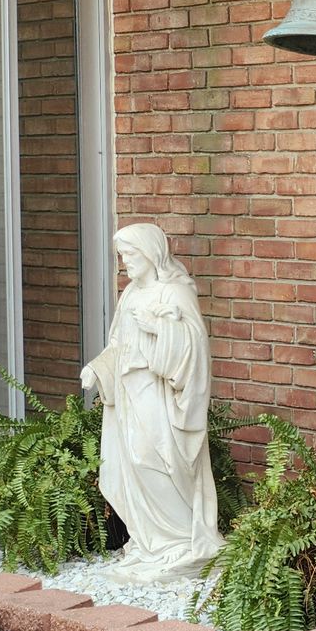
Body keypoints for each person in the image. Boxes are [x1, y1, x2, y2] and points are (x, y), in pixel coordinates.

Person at [80, 222, 224, 582]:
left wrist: (158, 327)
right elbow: (119, 344)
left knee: (156, 458)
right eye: (121, 256)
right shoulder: (129, 294)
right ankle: (151, 543)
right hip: (131, 395)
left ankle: (179, 542)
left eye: (130, 254)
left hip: (162, 397)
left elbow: (194, 348)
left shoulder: (174, 293)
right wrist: (97, 370)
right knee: (132, 460)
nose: (125, 262)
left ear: (150, 253)